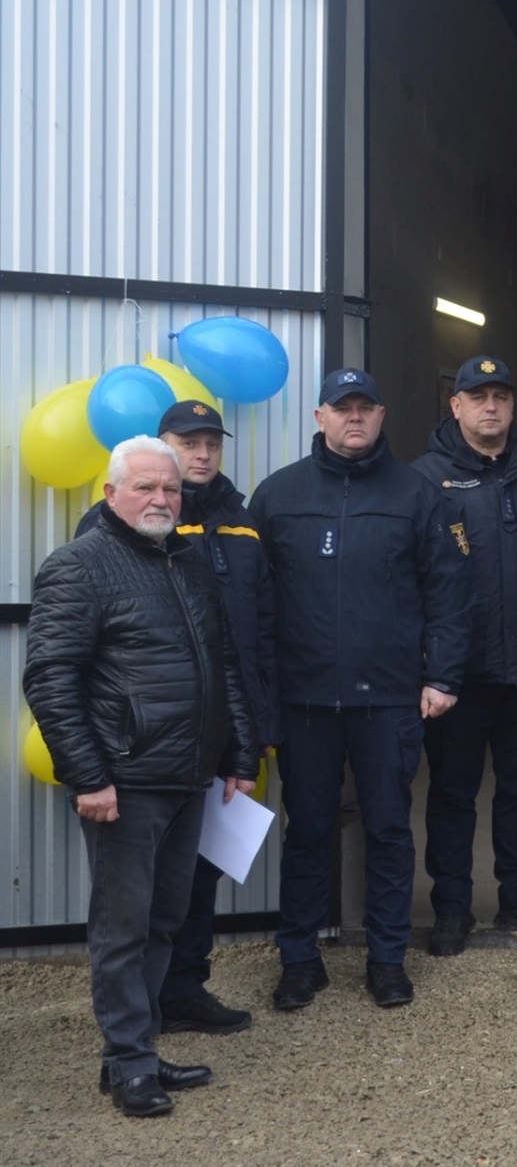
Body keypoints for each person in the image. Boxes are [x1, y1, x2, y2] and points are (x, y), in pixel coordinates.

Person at [24, 436, 260, 1116]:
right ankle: (128, 1065)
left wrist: (238, 754)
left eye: (170, 489)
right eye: (146, 488)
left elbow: (223, 668)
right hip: (124, 783)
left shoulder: (186, 564)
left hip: (187, 779)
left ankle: (137, 1049)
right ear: (111, 494)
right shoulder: (78, 567)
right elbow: (49, 680)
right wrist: (88, 776)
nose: (161, 499)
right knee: (123, 929)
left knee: (165, 921)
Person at [250, 368, 471, 1011]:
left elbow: (451, 596)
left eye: (365, 409)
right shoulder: (278, 496)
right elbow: (253, 602)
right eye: (341, 408)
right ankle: (298, 959)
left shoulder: (418, 494)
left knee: (387, 829)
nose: (354, 419)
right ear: (319, 417)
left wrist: (442, 676)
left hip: (389, 699)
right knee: (309, 830)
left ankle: (386, 959)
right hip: (306, 700)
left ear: (381, 417)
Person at [73, 401, 275, 1036]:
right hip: (139, 750)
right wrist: (89, 765)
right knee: (136, 905)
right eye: (188, 443)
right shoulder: (102, 538)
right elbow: (68, 666)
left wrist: (249, 737)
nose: (202, 454)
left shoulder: (241, 522)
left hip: (213, 735)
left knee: (196, 878)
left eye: (211, 443)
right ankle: (134, 1038)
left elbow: (250, 636)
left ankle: (183, 989)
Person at [412, 356, 517, 956]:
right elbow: (414, 580)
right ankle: (452, 906)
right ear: (454, 406)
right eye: (477, 396)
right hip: (459, 673)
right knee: (453, 793)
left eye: (500, 397)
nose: (490, 406)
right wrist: (430, 664)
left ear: (513, 405)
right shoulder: (425, 480)